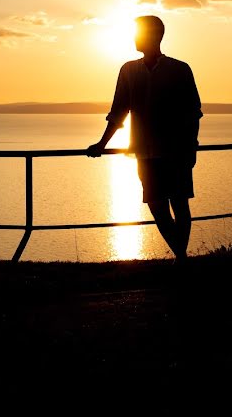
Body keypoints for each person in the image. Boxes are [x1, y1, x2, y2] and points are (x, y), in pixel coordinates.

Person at [87, 15, 202, 264]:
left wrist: (191, 146)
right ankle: (182, 257)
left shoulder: (180, 69)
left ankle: (181, 260)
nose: (134, 38)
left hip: (176, 151)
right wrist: (101, 144)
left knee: (180, 205)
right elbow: (119, 110)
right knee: (157, 207)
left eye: (138, 33)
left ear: (154, 35)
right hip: (144, 152)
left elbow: (193, 111)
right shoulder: (129, 70)